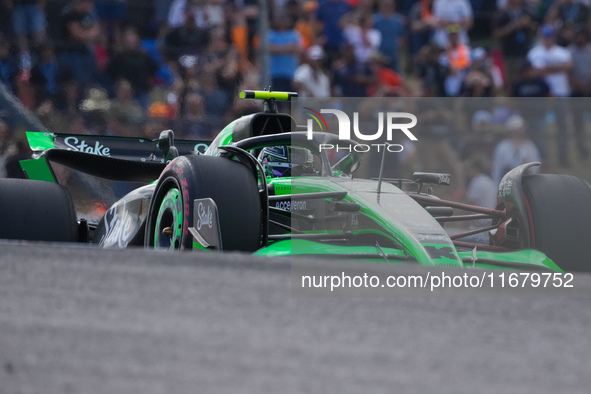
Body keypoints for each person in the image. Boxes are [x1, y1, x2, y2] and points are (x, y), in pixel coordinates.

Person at [527, 24, 572, 166]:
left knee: (562, 128)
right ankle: (541, 159)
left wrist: (545, 69)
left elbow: (568, 66)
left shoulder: (563, 52)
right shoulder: (534, 53)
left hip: (560, 94)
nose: (547, 39)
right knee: (539, 128)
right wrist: (558, 68)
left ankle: (563, 158)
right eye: (545, 37)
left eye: (549, 36)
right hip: (541, 96)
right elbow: (535, 71)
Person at [107, 26, 159, 111]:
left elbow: (154, 70)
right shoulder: (117, 58)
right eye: (127, 37)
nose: (129, 40)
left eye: (131, 36)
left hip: (141, 92)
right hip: (122, 95)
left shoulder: (144, 57)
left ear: (137, 39)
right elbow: (110, 74)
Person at [492, 0, 537, 88]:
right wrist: (512, 27)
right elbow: (496, 33)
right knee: (511, 81)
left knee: (526, 80)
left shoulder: (526, 12)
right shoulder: (502, 15)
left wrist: (527, 24)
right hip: (509, 54)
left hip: (525, 52)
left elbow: (536, 28)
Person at [59, 0, 100, 90]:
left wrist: (86, 34)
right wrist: (89, 34)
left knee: (91, 82)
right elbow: (77, 34)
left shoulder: (89, 14)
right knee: (78, 83)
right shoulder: (70, 14)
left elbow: (97, 31)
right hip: (73, 54)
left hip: (87, 52)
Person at [491, 114, 541, 186]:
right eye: (517, 128)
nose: (519, 130)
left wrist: (528, 165)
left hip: (525, 183)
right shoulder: (502, 147)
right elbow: (497, 169)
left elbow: (536, 168)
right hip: (507, 184)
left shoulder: (530, 146)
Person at [9, 0, 47, 71]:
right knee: (20, 34)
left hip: (35, 4)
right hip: (18, 5)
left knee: (39, 34)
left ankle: (42, 59)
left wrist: (43, 2)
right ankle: (26, 63)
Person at [268, 13, 302, 92]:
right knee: (276, 100)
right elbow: (268, 48)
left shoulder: (294, 34)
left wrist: (278, 49)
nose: (282, 22)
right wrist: (288, 48)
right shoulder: (270, 34)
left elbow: (298, 49)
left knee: (291, 100)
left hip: (291, 73)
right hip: (274, 73)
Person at [373, 0, 406, 73]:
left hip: (393, 51)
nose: (387, 7)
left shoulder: (399, 20)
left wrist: (398, 48)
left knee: (395, 73)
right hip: (379, 52)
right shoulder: (374, 19)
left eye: (389, 5)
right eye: (385, 5)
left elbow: (402, 36)